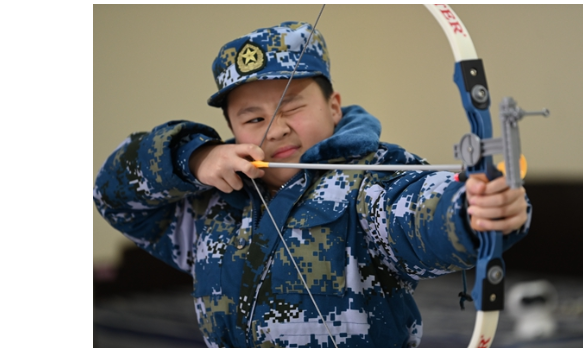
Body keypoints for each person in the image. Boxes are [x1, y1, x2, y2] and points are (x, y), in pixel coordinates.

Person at [93, 21, 531, 348]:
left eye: (293, 107)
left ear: (334, 107)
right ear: (229, 128)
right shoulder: (213, 203)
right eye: (254, 119)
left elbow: (420, 213)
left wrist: (474, 209)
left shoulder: (369, 186)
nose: (276, 130)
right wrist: (193, 157)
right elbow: (112, 193)